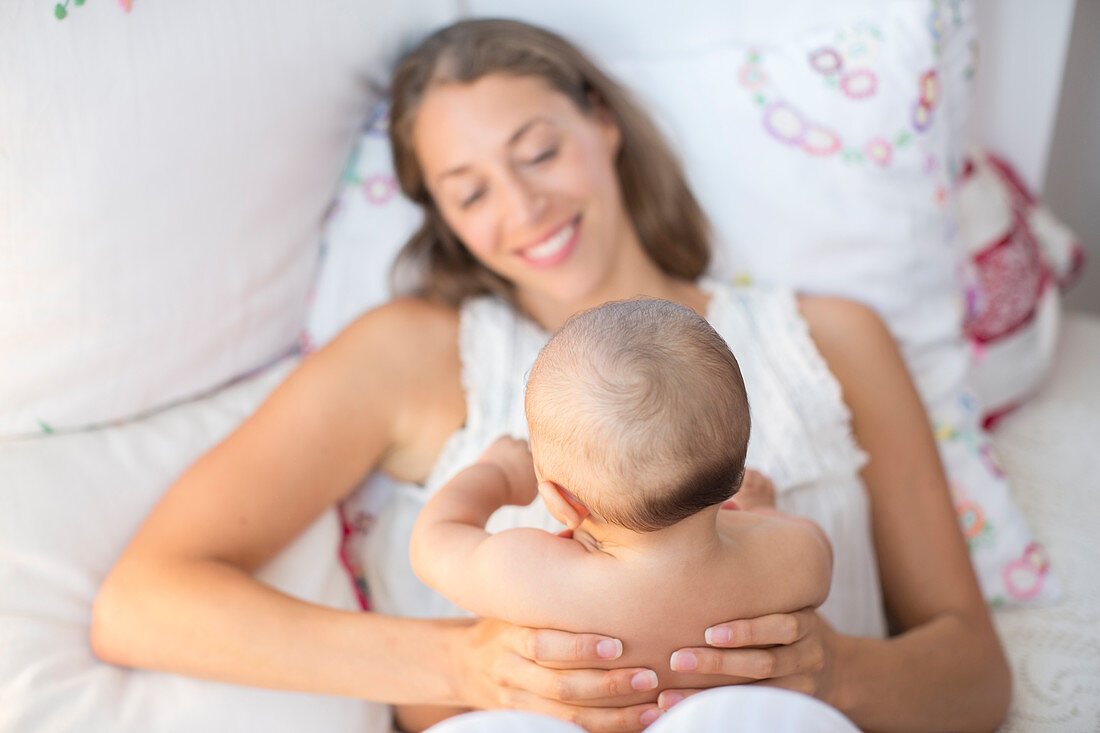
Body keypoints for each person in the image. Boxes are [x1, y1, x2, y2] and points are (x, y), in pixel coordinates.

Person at [90, 18, 1011, 733]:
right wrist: (461, 667)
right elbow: (143, 602)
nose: (524, 205)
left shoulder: (830, 340)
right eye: (471, 189)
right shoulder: (409, 354)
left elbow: (975, 679)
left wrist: (830, 668)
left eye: (537, 151)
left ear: (601, 123)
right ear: (444, 218)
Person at [394, 298, 833, 732]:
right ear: (735, 475)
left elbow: (433, 543)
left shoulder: (536, 575)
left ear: (562, 503)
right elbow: (806, 542)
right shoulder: (790, 559)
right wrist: (761, 512)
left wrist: (494, 474)